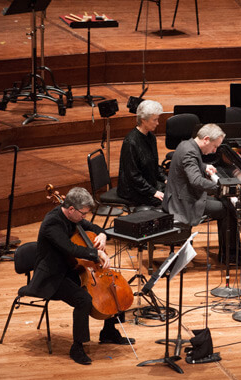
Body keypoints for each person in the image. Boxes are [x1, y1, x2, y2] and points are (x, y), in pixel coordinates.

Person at [25, 187, 134, 365]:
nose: (85, 217)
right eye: (83, 214)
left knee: (109, 287)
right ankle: (77, 347)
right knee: (83, 299)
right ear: (71, 209)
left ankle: (109, 332)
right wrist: (97, 254)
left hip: (72, 269)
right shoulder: (52, 224)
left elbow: (93, 227)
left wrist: (102, 235)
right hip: (52, 276)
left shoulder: (75, 217)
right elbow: (71, 248)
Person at [163, 123, 237, 262]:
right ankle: (230, 255)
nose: (215, 151)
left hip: (180, 195)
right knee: (227, 209)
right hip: (183, 202)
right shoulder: (190, 151)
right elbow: (196, 181)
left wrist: (204, 166)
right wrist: (222, 188)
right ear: (206, 139)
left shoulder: (186, 144)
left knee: (225, 203)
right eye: (215, 146)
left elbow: (190, 165)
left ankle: (228, 253)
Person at [117, 99, 167, 207]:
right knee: (167, 201)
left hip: (148, 184)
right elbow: (133, 177)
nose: (158, 123)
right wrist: (153, 192)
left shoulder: (151, 137)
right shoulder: (130, 142)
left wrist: (165, 179)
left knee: (177, 191)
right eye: (155, 120)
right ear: (144, 120)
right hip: (133, 190)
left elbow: (154, 165)